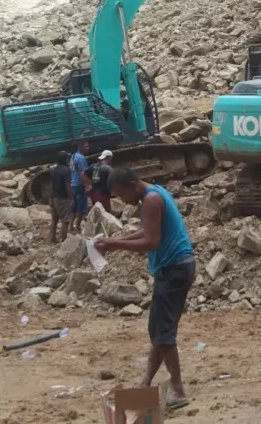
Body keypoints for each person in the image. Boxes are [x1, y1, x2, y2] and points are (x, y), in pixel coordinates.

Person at [96, 167, 196, 411]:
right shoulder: (153, 193)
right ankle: (146, 383)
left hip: (174, 269)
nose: (122, 201)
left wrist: (115, 244)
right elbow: (149, 231)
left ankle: (178, 390)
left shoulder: (151, 200)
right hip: (175, 268)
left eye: (121, 194)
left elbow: (151, 242)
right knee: (157, 330)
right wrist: (119, 240)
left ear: (132, 185)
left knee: (163, 333)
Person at [48, 151, 73, 243]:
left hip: (53, 197)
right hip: (62, 198)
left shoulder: (52, 170)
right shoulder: (67, 170)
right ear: (65, 159)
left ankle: (52, 239)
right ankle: (64, 241)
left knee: (54, 220)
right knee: (65, 220)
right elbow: (67, 185)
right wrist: (71, 197)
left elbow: (52, 183)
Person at [70, 141, 91, 232]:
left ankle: (71, 226)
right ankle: (77, 226)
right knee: (81, 206)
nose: (88, 148)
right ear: (80, 146)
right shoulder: (81, 158)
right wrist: (87, 185)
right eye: (85, 146)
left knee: (74, 207)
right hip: (79, 185)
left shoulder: (73, 156)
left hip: (73, 184)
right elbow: (82, 173)